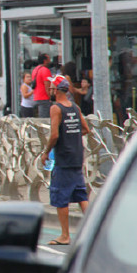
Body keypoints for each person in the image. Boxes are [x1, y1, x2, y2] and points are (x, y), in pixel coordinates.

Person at [40, 76, 90, 246]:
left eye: (51, 86)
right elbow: (85, 129)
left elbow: (54, 134)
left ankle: (65, 235)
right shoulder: (75, 107)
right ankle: (92, 231)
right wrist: (72, 136)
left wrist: (46, 152)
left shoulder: (56, 108)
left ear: (56, 90)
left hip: (64, 158)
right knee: (81, 194)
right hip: (76, 156)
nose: (49, 89)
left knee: (61, 196)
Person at [32, 53, 53, 118]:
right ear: (45, 61)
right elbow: (47, 87)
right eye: (49, 59)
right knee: (45, 120)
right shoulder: (45, 70)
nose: (50, 61)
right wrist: (50, 98)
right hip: (44, 98)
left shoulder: (35, 70)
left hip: (36, 97)